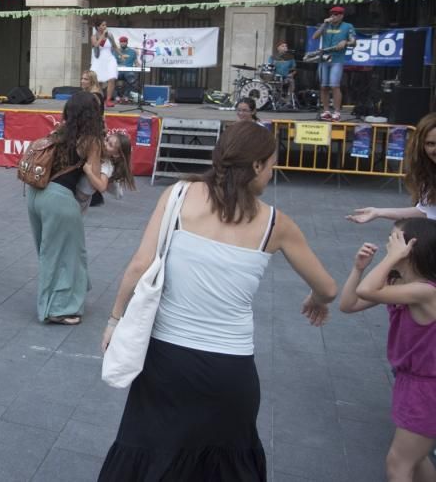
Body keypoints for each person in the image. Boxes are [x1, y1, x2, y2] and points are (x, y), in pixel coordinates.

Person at [98, 121, 337, 481]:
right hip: (231, 370)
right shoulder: (275, 224)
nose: (272, 174)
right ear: (256, 165)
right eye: (272, 165)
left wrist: (115, 319)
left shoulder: (179, 194)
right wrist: (316, 299)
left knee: (150, 450)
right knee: (222, 465)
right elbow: (329, 288)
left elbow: (139, 265)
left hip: (166, 361)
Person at [339, 218, 436, 482]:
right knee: (416, 459)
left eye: (395, 240)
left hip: (427, 387)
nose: (388, 244)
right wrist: (358, 268)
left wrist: (389, 260)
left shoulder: (425, 291)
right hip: (411, 382)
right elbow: (348, 305)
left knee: (398, 463)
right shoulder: (399, 285)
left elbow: (367, 290)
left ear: (411, 249)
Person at [28, 91, 109, 325]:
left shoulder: (58, 132)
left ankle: (59, 299)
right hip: (59, 199)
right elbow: (93, 182)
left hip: (35, 194)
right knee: (69, 255)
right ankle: (58, 309)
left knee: (49, 253)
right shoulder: (91, 140)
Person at [348, 112, 436, 224]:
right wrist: (378, 212)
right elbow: (426, 212)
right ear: (421, 146)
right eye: (430, 144)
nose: (435, 150)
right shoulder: (429, 173)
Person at [75, 130, 136, 212]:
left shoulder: (106, 165)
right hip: (78, 193)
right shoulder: (100, 155)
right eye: (107, 140)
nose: (105, 144)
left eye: (110, 145)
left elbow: (102, 187)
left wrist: (89, 172)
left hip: (81, 198)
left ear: (116, 154)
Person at [312, 5, 354, 121]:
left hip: (337, 58)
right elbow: (315, 36)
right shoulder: (326, 25)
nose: (333, 16)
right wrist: (324, 24)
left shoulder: (347, 26)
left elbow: (354, 42)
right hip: (324, 58)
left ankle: (336, 112)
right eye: (332, 14)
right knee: (323, 86)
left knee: (334, 85)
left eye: (336, 14)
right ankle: (326, 111)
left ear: (341, 16)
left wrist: (346, 42)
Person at [90, 19, 119, 108]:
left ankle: (108, 100)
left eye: (105, 25)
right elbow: (96, 45)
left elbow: (114, 46)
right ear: (98, 27)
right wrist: (102, 35)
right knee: (98, 81)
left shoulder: (110, 35)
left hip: (110, 59)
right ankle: (100, 99)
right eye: (103, 25)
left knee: (112, 78)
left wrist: (121, 55)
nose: (105, 27)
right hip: (99, 60)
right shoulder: (94, 36)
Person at [114, 36, 139, 102]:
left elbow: (136, 62)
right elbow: (112, 62)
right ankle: (117, 96)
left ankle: (126, 96)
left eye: (124, 42)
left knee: (131, 77)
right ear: (119, 43)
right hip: (118, 71)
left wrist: (139, 67)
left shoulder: (133, 52)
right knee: (111, 78)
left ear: (127, 43)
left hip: (128, 71)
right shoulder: (116, 51)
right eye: (121, 42)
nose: (123, 43)